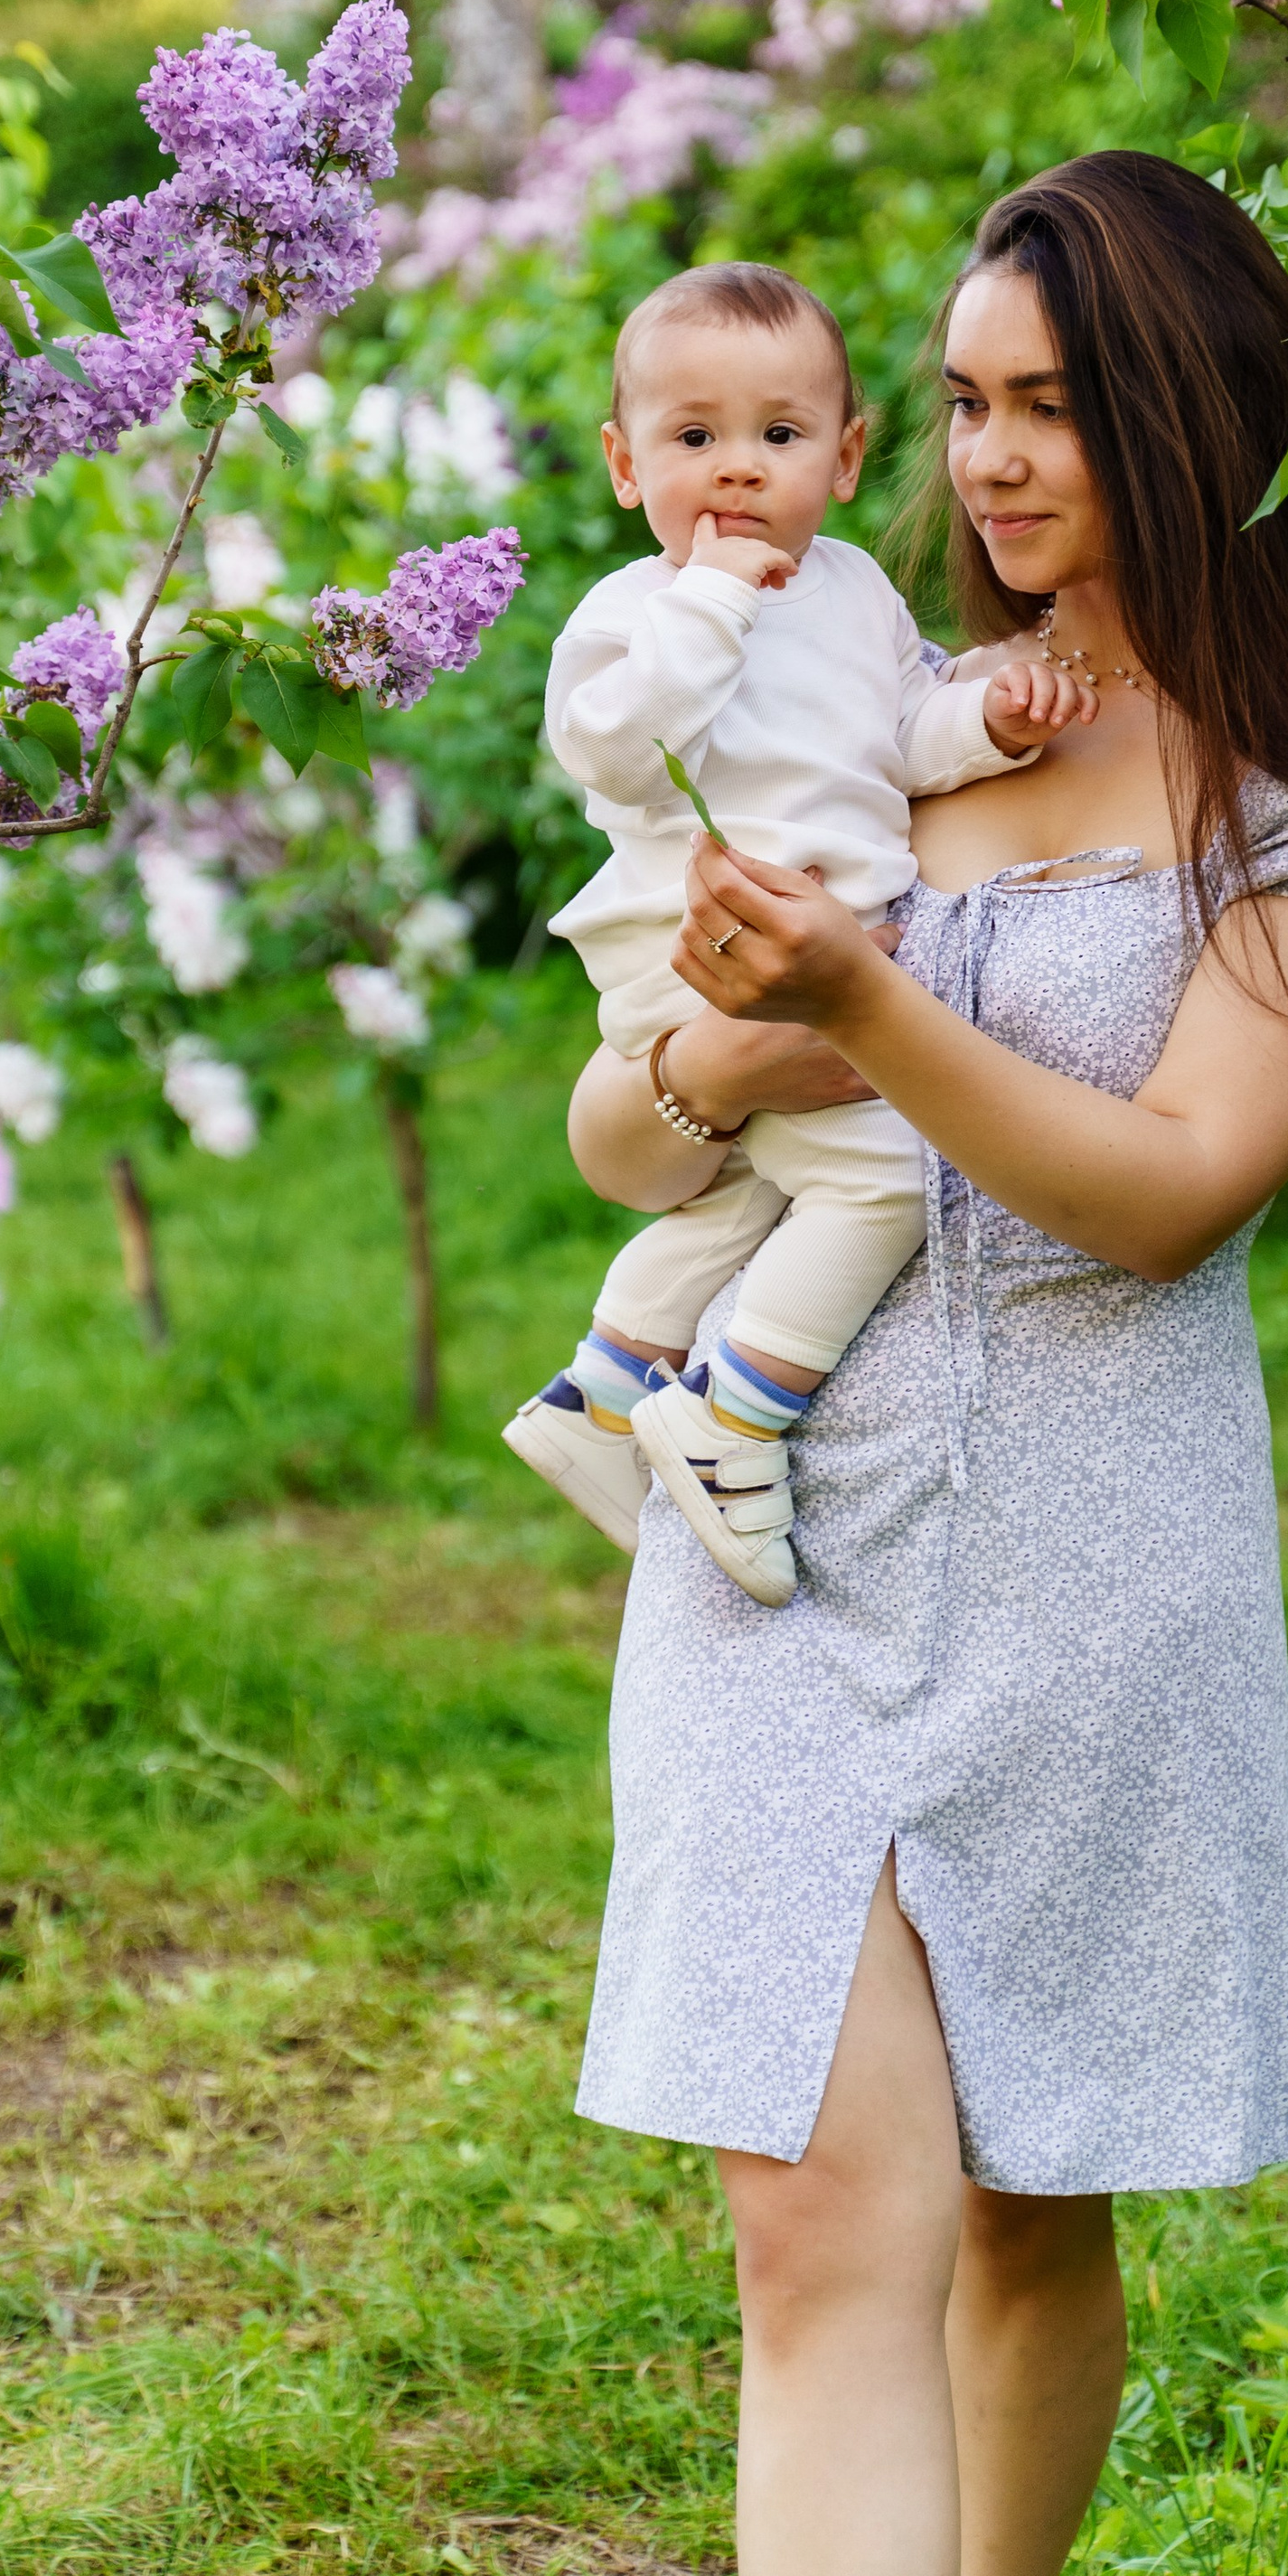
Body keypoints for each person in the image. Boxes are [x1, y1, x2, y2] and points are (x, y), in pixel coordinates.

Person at [559, 155, 1288, 2576]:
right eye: (970, 404)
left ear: (1195, 424)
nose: (987, 465)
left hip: (1100, 1549)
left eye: (1055, 411)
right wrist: (704, 1051)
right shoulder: (859, 717)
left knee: (1022, 2198)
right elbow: (624, 1125)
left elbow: (1176, 1186)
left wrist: (869, 1004)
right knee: (809, 2218)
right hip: (781, 1521)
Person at [503, 260, 1074, 1606]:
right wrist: (713, 598)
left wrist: (984, 728)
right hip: (703, 951)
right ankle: (734, 1419)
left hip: (819, 958)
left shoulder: (860, 593)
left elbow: (895, 740)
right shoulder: (636, 616)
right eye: (694, 439)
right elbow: (622, 753)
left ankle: (602, 1391)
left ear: (848, 450)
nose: (739, 473)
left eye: (779, 435)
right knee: (882, 1182)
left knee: (771, 1188)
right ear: (625, 466)